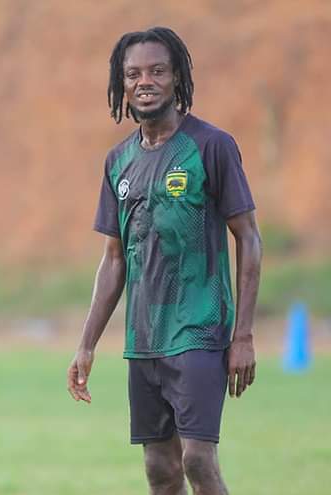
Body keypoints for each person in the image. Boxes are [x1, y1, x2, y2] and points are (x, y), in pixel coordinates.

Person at [67, 27, 262, 495]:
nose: (145, 82)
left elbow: (249, 238)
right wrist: (87, 344)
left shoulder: (211, 146)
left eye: (157, 71)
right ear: (121, 84)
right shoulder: (118, 161)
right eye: (133, 74)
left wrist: (243, 335)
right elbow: (114, 259)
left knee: (197, 459)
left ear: (177, 77)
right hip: (144, 340)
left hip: (199, 331)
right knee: (159, 469)